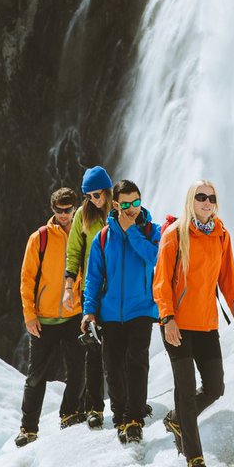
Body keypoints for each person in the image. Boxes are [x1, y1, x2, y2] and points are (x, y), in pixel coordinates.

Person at [153, 179, 234, 467]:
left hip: (207, 324)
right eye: (201, 197)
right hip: (178, 326)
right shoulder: (174, 234)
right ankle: (195, 460)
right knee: (185, 388)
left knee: (215, 387)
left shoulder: (221, 235)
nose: (207, 202)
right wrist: (167, 319)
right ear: (190, 201)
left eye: (211, 198)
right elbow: (161, 282)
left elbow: (228, 282)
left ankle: (177, 419)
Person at [81, 180, 161, 444]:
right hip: (111, 311)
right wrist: (89, 311)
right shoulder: (102, 238)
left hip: (141, 308)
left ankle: (135, 418)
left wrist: (132, 233)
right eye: (125, 204)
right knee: (113, 367)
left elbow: (156, 258)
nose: (132, 209)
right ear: (115, 204)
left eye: (136, 202)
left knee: (137, 363)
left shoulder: (152, 231)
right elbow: (93, 277)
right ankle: (120, 417)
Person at [15, 186, 87, 446]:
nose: (64, 215)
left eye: (68, 210)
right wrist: (29, 315)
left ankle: (69, 413)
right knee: (36, 376)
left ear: (75, 208)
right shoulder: (40, 238)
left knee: (78, 369)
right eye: (59, 211)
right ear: (52, 210)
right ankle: (28, 428)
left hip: (74, 315)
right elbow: (26, 278)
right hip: (44, 318)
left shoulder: (84, 233)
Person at [62, 165, 113, 429]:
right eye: (89, 195)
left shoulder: (120, 211)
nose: (94, 199)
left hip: (118, 290)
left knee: (119, 348)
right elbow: (73, 252)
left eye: (98, 194)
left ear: (107, 190)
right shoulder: (83, 215)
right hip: (92, 291)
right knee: (93, 349)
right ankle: (94, 408)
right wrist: (69, 286)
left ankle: (125, 402)